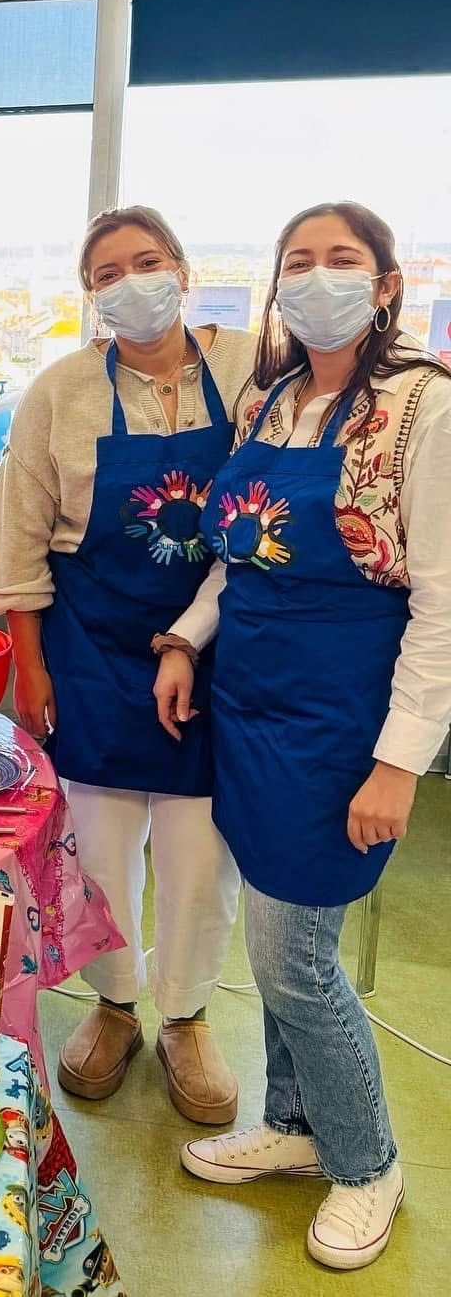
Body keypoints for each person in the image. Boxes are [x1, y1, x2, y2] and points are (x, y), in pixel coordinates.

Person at [161, 202, 451, 1270]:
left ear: (385, 285)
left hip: (342, 724)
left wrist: (398, 763)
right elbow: (235, 560)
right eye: (299, 261)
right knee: (273, 942)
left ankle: (368, 1161)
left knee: (296, 962)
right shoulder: (270, 401)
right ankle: (293, 1123)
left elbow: (444, 606)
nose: (317, 277)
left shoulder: (423, 408)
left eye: (343, 259)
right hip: (249, 707)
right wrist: (186, 639)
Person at [0, 206, 254, 1123]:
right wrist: (30, 670)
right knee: (98, 847)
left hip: (215, 647)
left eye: (146, 261)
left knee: (198, 854)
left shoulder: (246, 370)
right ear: (90, 296)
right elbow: (18, 543)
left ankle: (186, 1016)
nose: (130, 283)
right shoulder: (58, 393)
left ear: (182, 269)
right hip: (91, 646)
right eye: (106, 273)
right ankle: (115, 1003)